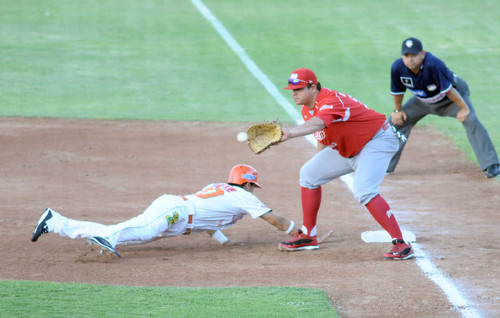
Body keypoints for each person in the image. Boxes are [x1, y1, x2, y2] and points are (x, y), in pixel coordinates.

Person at [31, 164, 332, 258]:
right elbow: (274, 220)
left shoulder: (224, 190)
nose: (254, 191)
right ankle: (109, 239)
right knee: (140, 231)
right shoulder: (244, 197)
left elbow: (209, 220)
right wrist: (301, 232)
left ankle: (57, 222)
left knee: (134, 232)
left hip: (175, 213)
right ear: (248, 184)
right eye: (253, 186)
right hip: (175, 212)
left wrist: (225, 241)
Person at [276, 67, 414, 260]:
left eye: (298, 89)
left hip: (376, 141)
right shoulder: (307, 109)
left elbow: (320, 123)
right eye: (292, 90)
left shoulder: (331, 100)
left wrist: (290, 133)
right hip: (350, 148)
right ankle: (308, 235)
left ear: (313, 87)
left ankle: (401, 244)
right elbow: (322, 136)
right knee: (309, 174)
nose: (294, 94)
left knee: (364, 190)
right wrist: (319, 165)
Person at [387, 37, 499, 178]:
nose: (410, 59)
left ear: (422, 53)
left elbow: (450, 90)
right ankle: (385, 165)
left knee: (470, 119)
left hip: (451, 98)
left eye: (414, 55)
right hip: (422, 101)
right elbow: (398, 91)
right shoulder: (398, 67)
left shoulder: (433, 65)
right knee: (395, 122)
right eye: (406, 55)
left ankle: (491, 164)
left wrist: (464, 109)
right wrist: (397, 110)